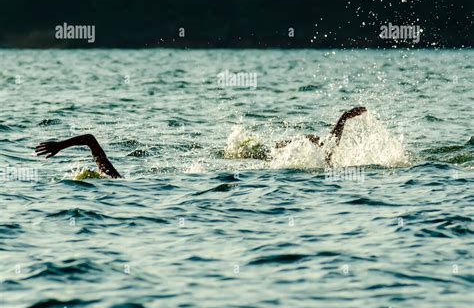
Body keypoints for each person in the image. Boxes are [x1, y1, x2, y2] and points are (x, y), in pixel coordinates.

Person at [34, 107, 367, 178]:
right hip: (185, 177)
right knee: (316, 161)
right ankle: (338, 124)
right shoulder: (113, 178)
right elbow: (92, 139)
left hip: (190, 177)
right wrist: (61, 145)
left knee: (310, 161)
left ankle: (336, 126)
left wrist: (61, 146)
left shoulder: (113, 178)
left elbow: (91, 140)